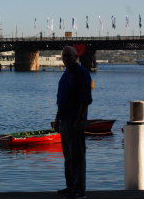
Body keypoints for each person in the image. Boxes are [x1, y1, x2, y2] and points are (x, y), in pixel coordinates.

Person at [54, 46, 92, 199]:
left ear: (76, 57)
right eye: (64, 56)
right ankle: (71, 186)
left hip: (76, 120)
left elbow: (86, 100)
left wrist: (79, 120)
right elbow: (61, 101)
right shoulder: (65, 75)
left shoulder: (82, 73)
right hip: (64, 119)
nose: (66, 58)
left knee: (77, 156)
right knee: (68, 156)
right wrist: (57, 119)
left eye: (69, 56)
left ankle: (79, 189)